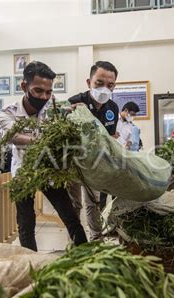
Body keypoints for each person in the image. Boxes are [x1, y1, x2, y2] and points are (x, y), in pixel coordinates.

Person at [0, 61, 87, 251]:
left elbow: (65, 120)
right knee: (26, 222)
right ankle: (30, 263)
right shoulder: (9, 112)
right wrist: (42, 141)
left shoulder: (52, 108)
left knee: (69, 215)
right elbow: (13, 136)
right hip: (24, 173)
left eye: (48, 92)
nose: (44, 96)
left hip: (49, 171)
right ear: (24, 86)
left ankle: (85, 253)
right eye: (38, 91)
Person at [68, 61, 119, 241]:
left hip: (96, 164)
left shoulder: (112, 108)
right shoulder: (74, 102)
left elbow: (110, 138)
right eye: (99, 83)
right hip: (73, 163)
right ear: (89, 82)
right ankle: (74, 240)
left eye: (110, 85)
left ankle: (96, 239)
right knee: (74, 204)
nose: (104, 88)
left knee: (94, 202)